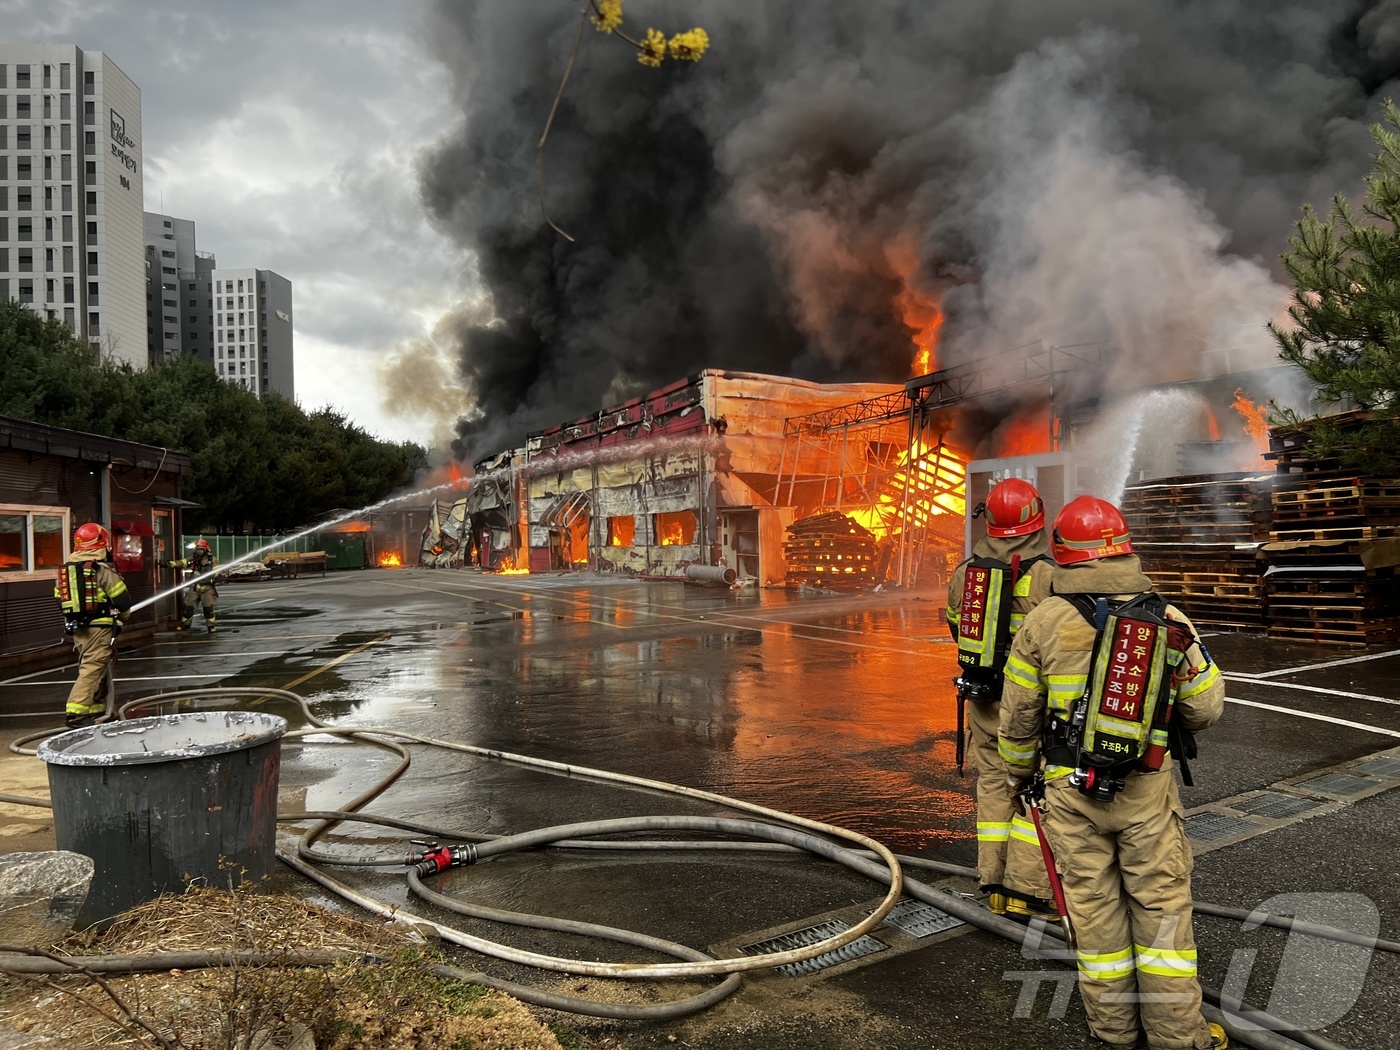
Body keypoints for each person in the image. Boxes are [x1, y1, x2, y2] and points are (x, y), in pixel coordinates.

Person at [997, 495, 1227, 1050]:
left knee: (1094, 912)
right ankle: (1179, 1037)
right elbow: (1206, 706)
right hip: (1146, 790)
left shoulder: (1043, 621)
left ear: (1064, 555)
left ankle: (1114, 1030)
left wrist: (1019, 776)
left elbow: (1018, 717)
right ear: (1124, 548)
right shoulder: (1166, 616)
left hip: (1068, 792)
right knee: (1161, 908)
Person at [946, 477, 1057, 919]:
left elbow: (957, 627)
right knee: (1038, 790)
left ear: (989, 522)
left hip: (985, 700)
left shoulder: (966, 572)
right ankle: (1026, 894)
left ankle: (992, 883)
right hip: (1035, 708)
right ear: (1037, 517)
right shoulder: (1052, 576)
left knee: (993, 789)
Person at [53, 522, 131, 728]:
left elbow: (59, 599)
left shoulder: (66, 572)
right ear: (102, 545)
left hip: (78, 629)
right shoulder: (101, 570)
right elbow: (122, 601)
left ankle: (96, 708)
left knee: (94, 665)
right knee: (92, 667)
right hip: (100, 627)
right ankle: (75, 712)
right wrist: (122, 618)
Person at [166, 538, 219, 633]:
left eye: (201, 549)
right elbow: (181, 563)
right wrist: (169, 564)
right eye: (197, 549)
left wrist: (214, 576)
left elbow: (218, 571)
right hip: (195, 587)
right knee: (188, 607)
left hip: (207, 588)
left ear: (206, 549)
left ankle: (211, 627)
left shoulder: (212, 560)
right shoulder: (193, 559)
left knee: (208, 609)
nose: (199, 551)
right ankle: (185, 625)